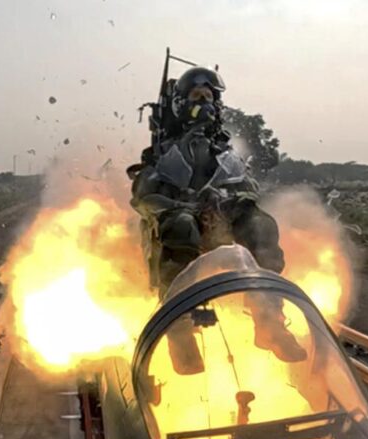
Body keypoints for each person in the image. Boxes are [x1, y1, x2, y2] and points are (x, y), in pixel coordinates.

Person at [131, 67, 306, 374]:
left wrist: (229, 203)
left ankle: (269, 322)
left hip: (221, 217)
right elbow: (143, 195)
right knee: (181, 225)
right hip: (179, 218)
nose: (204, 104)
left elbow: (246, 188)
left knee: (261, 225)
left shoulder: (224, 151)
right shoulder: (163, 151)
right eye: (196, 96)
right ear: (181, 103)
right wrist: (175, 204)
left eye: (208, 97)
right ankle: (180, 333)